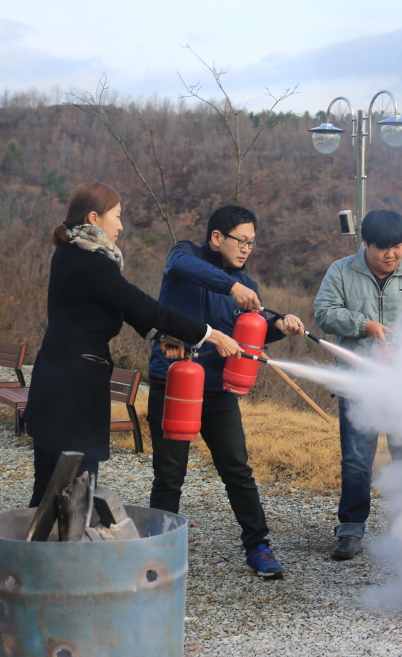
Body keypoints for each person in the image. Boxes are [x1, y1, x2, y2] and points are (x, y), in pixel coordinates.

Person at [23, 182, 242, 508]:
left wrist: (161, 335)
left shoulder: (73, 254)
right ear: (95, 218)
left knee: (54, 482)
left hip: (60, 377)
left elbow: (121, 306)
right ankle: (57, 551)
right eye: (118, 216)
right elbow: (141, 305)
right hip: (73, 386)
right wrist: (209, 333)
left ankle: (43, 548)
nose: (122, 225)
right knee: (72, 485)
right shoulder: (90, 262)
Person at [146, 205, 305, 579]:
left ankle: (258, 546)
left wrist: (279, 326)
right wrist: (231, 285)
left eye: (252, 243)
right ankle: (157, 550)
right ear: (217, 238)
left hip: (217, 391)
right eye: (241, 241)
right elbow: (188, 269)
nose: (247, 249)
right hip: (173, 384)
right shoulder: (184, 256)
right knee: (169, 474)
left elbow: (250, 335)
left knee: (237, 469)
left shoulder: (247, 287)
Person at [313, 209, 402, 560]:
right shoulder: (341, 271)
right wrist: (364, 325)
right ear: (364, 244)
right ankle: (351, 530)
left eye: (397, 247)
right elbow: (324, 312)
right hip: (358, 383)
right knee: (356, 460)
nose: (391, 255)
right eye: (382, 248)